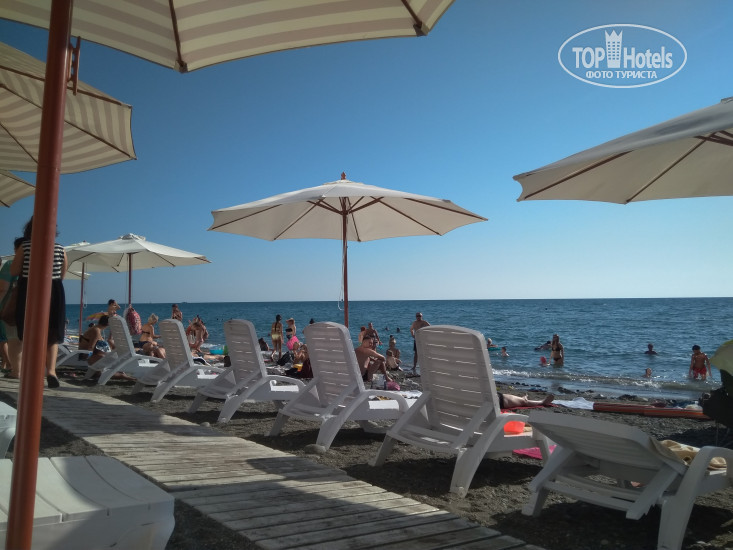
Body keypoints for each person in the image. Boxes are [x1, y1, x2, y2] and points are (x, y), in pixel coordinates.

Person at [11, 217, 66, 388]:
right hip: (54, 290)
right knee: (53, 334)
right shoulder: (60, 249)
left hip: (30, 288)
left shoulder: (25, 246)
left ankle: (32, 369)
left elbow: (14, 270)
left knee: (29, 330)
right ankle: (51, 371)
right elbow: (62, 275)